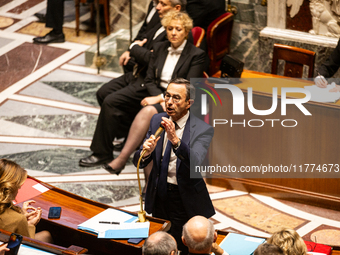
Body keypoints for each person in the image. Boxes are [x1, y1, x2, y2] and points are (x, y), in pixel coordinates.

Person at [79, 8, 204, 168]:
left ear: (186, 31)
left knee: (148, 110)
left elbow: (188, 87)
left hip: (176, 99)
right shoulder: (159, 47)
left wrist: (161, 99)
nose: (173, 33)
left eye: (178, 29)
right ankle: (102, 152)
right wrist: (157, 95)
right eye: (170, 29)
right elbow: (150, 79)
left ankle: (122, 159)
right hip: (153, 91)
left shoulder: (196, 55)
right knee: (110, 101)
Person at [133, 78, 215, 254]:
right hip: (159, 194)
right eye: (167, 96)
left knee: (183, 244)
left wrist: (176, 141)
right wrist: (146, 152)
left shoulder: (202, 128)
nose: (169, 102)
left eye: (176, 98)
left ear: (188, 103)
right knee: (160, 243)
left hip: (184, 197)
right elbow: (137, 160)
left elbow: (196, 162)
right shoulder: (157, 120)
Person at [0, 159, 52, 243]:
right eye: (19, 186)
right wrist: (30, 224)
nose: (19, 188)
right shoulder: (17, 220)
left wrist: (20, 213)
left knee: (46, 235)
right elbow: (27, 245)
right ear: (10, 188)